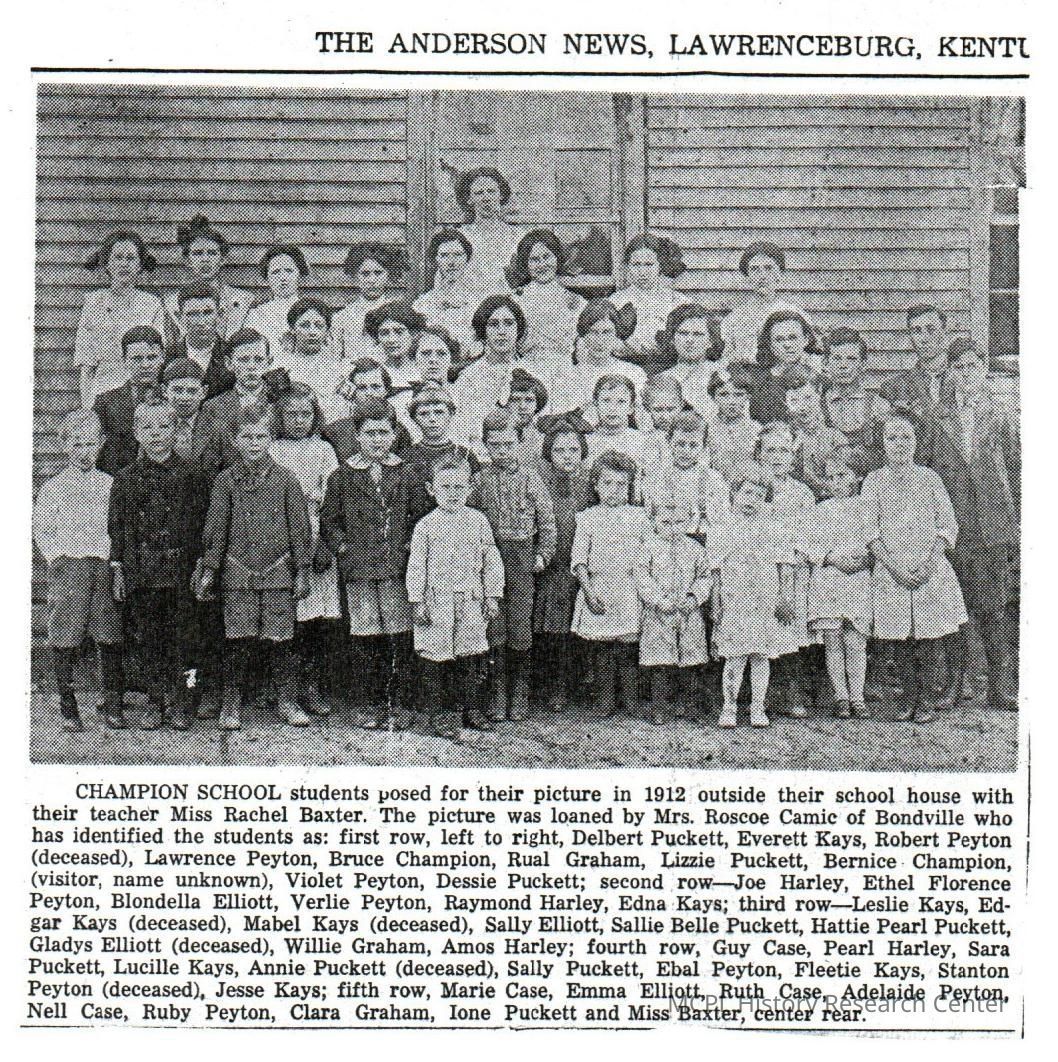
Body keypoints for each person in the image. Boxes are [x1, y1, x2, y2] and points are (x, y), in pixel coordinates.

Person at [198, 406, 313, 731]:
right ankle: (231, 702)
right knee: (238, 640)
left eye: (260, 436)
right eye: (246, 437)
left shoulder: (287, 479)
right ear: (234, 440)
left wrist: (302, 570)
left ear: (271, 438)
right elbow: (216, 528)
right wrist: (210, 569)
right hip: (238, 574)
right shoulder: (225, 481)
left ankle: (287, 700)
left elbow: (300, 528)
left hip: (278, 574)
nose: (253, 443)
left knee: (280, 640)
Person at [925, 337, 1019, 713]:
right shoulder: (937, 416)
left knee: (993, 607)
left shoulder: (1002, 414)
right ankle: (954, 684)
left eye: (973, 366)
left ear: (984, 371)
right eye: (959, 367)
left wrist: (1017, 524)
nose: (966, 374)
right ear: (951, 372)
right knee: (955, 607)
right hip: (955, 525)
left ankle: (1001, 686)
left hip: (993, 524)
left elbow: (1016, 469)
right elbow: (930, 472)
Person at [108, 397, 209, 730]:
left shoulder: (193, 473)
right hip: (144, 572)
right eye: (147, 427)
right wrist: (119, 567)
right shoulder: (125, 478)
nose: (156, 434)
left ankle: (185, 699)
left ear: (175, 430)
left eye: (164, 426)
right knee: (150, 638)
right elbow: (119, 527)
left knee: (187, 639)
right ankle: (155, 700)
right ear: (136, 432)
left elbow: (202, 525)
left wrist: (202, 567)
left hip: (183, 572)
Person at [861, 410, 968, 724]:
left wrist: (929, 565)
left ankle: (929, 701)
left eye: (906, 437)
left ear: (917, 442)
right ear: (883, 443)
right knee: (902, 641)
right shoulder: (874, 481)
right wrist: (895, 569)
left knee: (930, 638)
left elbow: (947, 526)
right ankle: (907, 698)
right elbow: (870, 532)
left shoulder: (929, 478)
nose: (899, 444)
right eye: (891, 437)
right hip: (892, 570)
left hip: (929, 570)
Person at [319, 398, 419, 730]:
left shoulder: (406, 473)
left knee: (399, 637)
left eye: (383, 433)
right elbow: (329, 523)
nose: (377, 440)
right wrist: (344, 548)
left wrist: (407, 548)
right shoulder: (342, 476)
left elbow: (418, 517)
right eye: (369, 433)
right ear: (357, 436)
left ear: (394, 434)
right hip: (359, 571)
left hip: (395, 570)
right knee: (366, 638)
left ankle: (398, 702)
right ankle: (370, 702)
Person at [33, 410, 125, 731]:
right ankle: (68, 702)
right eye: (76, 445)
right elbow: (42, 528)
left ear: (99, 444)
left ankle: (113, 702)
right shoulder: (54, 487)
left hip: (102, 564)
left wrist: (114, 559)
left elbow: (118, 526)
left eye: (89, 444)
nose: (83, 451)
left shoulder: (111, 484)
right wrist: (56, 557)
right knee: (66, 632)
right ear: (64, 446)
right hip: (69, 566)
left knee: (109, 630)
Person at [406, 453, 504, 737]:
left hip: (471, 601)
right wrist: (417, 601)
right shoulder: (425, 525)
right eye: (445, 487)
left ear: (469, 488)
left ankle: (471, 708)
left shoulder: (478, 521)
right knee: (435, 658)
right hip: (436, 602)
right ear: (431, 489)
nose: (452, 494)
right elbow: (416, 565)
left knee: (470, 656)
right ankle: (439, 712)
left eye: (459, 487)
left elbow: (491, 559)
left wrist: (492, 595)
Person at [469, 408, 557, 722]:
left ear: (518, 442)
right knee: (494, 626)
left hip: (522, 560)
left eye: (508, 444)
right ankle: (497, 689)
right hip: (490, 558)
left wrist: (542, 555)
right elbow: (469, 521)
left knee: (520, 626)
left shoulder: (531, 478)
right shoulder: (479, 480)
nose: (502, 452)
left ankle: (520, 689)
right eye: (495, 446)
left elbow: (547, 522)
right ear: (485, 445)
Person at [270, 384, 343, 718]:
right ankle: (285, 691)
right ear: (280, 417)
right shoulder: (273, 448)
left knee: (318, 623)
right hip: (285, 539)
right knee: (290, 621)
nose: (298, 420)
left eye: (305, 414)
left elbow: (331, 500)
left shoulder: (324, 450)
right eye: (291, 414)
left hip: (317, 536)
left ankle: (311, 687)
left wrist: (323, 541)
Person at [708, 462, 797, 729]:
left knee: (760, 656)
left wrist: (784, 597)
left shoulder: (774, 528)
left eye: (759, 496)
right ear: (734, 493)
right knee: (735, 656)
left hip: (765, 602)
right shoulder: (723, 527)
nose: (752, 500)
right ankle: (730, 706)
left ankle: (758, 706)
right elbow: (715, 570)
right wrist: (716, 602)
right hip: (735, 602)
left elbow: (784, 565)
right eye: (746, 493)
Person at [571, 450, 648, 717]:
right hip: (599, 587)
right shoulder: (588, 517)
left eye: (621, 485)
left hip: (629, 589)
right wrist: (588, 592)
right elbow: (579, 560)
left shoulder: (639, 517)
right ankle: (605, 699)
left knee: (628, 647)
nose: (614, 491)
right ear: (595, 485)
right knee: (603, 648)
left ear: (630, 486)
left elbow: (647, 555)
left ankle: (630, 699)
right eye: (607, 484)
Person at [804, 457, 873, 720]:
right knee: (832, 641)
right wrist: (831, 558)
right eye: (831, 477)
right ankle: (840, 695)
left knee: (855, 641)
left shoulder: (866, 507)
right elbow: (807, 542)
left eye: (842, 475)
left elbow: (877, 538)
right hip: (829, 580)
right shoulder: (821, 510)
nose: (836, 482)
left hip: (858, 580)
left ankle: (857, 696)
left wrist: (867, 559)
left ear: (856, 477)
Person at [757, 420, 816, 718]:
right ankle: (762, 693)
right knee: (763, 629)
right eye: (770, 450)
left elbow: (810, 532)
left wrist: (799, 555)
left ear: (792, 457)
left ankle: (792, 690)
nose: (777, 457)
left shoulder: (802, 493)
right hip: (760, 570)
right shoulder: (752, 489)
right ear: (759, 454)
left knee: (791, 627)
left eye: (783, 451)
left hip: (793, 568)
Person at [533, 425, 594, 712]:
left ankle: (584, 684)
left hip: (586, 568)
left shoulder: (591, 486)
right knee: (554, 630)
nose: (567, 456)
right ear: (549, 454)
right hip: (554, 567)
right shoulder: (540, 483)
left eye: (574, 450)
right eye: (559, 450)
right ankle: (555, 686)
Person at [635, 501, 712, 724]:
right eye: (666, 523)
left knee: (691, 663)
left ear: (689, 522)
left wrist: (694, 597)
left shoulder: (695, 549)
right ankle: (660, 707)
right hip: (659, 614)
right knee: (661, 663)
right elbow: (642, 577)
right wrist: (659, 600)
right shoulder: (648, 547)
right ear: (654, 523)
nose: (673, 528)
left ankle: (691, 706)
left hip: (688, 613)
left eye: (679, 522)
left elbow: (704, 577)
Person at [75, 230, 166, 406]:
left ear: (140, 264)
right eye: (118, 257)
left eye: (130, 258)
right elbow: (86, 364)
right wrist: (87, 408)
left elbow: (159, 359)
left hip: (142, 393)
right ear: (107, 263)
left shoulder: (151, 303)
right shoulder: (94, 302)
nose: (124, 263)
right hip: (103, 391)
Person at [451, 294, 526, 453]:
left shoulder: (531, 372)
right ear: (483, 330)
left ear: (518, 329)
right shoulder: (469, 377)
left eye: (508, 323)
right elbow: (461, 430)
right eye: (493, 324)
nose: (501, 331)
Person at [643, 411, 730, 540]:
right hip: (664, 542)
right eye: (680, 444)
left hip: (700, 541)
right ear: (669, 442)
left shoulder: (713, 480)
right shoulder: (655, 478)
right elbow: (649, 519)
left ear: (704, 446)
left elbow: (722, 523)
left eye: (693, 445)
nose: (686, 451)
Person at [198, 329, 276, 470]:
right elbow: (206, 462)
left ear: (269, 362)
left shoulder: (279, 402)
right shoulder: (213, 407)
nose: (251, 366)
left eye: (258, 359)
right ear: (229, 363)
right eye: (243, 360)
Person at [94, 325, 166, 476]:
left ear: (162, 357)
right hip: (120, 486)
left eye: (152, 357)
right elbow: (96, 453)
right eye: (137, 359)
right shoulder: (105, 403)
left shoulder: (172, 399)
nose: (145, 365)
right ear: (125, 360)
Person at [719, 242, 810, 363]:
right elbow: (725, 360)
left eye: (768, 268)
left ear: (779, 274)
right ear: (747, 277)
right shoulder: (733, 320)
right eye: (755, 269)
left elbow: (808, 359)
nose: (762, 276)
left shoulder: (797, 315)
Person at [165, 215, 252, 340]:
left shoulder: (243, 300)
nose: (205, 260)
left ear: (222, 258)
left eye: (212, 253)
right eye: (198, 253)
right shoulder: (172, 303)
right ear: (187, 260)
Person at [610, 234, 687, 372]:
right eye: (636, 265)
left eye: (649, 264)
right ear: (628, 267)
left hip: (669, 369)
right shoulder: (616, 301)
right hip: (626, 369)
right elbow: (602, 338)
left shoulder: (678, 301)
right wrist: (623, 345)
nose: (642, 271)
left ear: (660, 266)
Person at [510, 229, 585, 367]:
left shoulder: (575, 301)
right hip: (526, 372)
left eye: (547, 257)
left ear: (556, 257)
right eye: (534, 259)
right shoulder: (515, 301)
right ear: (526, 264)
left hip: (566, 372)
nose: (542, 264)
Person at [402, 383, 482, 507]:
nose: (432, 419)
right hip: (416, 523)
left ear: (451, 414)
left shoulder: (465, 455)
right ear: (414, 418)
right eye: (424, 414)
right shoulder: (406, 456)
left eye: (439, 412)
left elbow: (476, 498)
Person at [821, 327, 885, 477]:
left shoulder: (878, 405)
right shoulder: (817, 407)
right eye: (837, 358)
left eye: (851, 359)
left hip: (871, 491)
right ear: (826, 363)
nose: (843, 365)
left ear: (863, 364)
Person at [323, 358, 413, 462]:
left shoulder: (399, 430)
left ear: (386, 391)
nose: (369, 393)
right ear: (352, 392)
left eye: (375, 387)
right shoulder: (335, 431)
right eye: (362, 388)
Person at [567, 299, 647, 415]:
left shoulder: (634, 373)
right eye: (593, 332)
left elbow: (643, 418)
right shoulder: (569, 375)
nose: (600, 341)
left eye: (607, 332)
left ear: (616, 335)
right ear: (583, 336)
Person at [332, 243, 409, 360]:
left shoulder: (400, 315)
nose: (372, 280)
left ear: (388, 274)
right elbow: (335, 360)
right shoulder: (342, 318)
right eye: (365, 274)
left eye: (378, 273)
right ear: (355, 275)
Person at [782, 366, 849, 499]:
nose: (802, 407)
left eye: (808, 398)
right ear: (785, 402)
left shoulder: (835, 438)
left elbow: (844, 481)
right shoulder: (784, 439)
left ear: (818, 393)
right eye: (794, 400)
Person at [414, 229, 483, 358]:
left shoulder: (477, 304)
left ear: (466, 259)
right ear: (436, 259)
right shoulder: (422, 304)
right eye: (444, 255)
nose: (452, 262)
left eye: (458, 255)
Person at [877, 304, 951, 424]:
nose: (924, 338)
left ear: (944, 332)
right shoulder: (893, 388)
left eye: (931, 330)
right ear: (910, 337)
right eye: (917, 331)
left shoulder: (962, 380)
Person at [454, 166, 522, 294]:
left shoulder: (517, 235)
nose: (486, 198)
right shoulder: (460, 237)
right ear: (469, 199)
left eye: (491, 191)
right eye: (479, 193)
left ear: (501, 195)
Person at [748, 309, 823, 424]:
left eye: (793, 337)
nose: (787, 345)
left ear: (805, 339)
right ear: (770, 344)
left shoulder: (819, 381)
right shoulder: (757, 382)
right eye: (779, 339)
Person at [277, 297, 345, 421]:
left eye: (319, 326)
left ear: (327, 331)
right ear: (292, 329)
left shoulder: (338, 369)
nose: (312, 332)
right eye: (305, 325)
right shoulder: (281, 367)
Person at [164, 283, 236, 399]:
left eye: (208, 313)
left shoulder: (231, 355)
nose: (201, 322)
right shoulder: (168, 356)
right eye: (192, 314)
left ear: (219, 315)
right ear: (179, 317)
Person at [390, 327, 462, 440]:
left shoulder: (466, 397)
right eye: (426, 353)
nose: (433, 359)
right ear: (414, 359)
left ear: (451, 359)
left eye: (441, 353)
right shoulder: (398, 403)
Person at [244, 244, 310, 360]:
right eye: (276, 272)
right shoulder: (257, 315)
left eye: (289, 271)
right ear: (267, 278)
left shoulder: (311, 312)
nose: (283, 278)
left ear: (299, 273)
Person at [657, 303, 723, 416]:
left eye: (698, 334)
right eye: (683, 333)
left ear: (710, 341)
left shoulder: (723, 375)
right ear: (672, 338)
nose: (690, 340)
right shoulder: (661, 380)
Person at [706, 364, 761, 483]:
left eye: (738, 395)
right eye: (724, 395)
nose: (731, 401)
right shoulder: (706, 430)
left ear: (748, 396)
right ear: (714, 397)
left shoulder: (757, 430)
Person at [584, 374, 647, 480]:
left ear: (631, 407)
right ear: (596, 404)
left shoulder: (642, 441)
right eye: (606, 401)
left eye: (621, 402)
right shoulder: (586, 442)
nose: (612, 408)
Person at [362, 300, 425, 392]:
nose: (391, 339)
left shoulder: (425, 371)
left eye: (399, 332)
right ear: (377, 337)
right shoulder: (373, 375)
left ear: (413, 333)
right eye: (384, 333)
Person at [504, 367, 550, 471]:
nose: (522, 406)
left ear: (537, 404)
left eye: (529, 400)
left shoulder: (544, 438)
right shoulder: (495, 435)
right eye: (515, 400)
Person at [640, 375, 685, 469]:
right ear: (647, 407)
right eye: (658, 410)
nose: (665, 416)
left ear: (681, 405)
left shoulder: (692, 435)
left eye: (670, 409)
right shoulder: (645, 439)